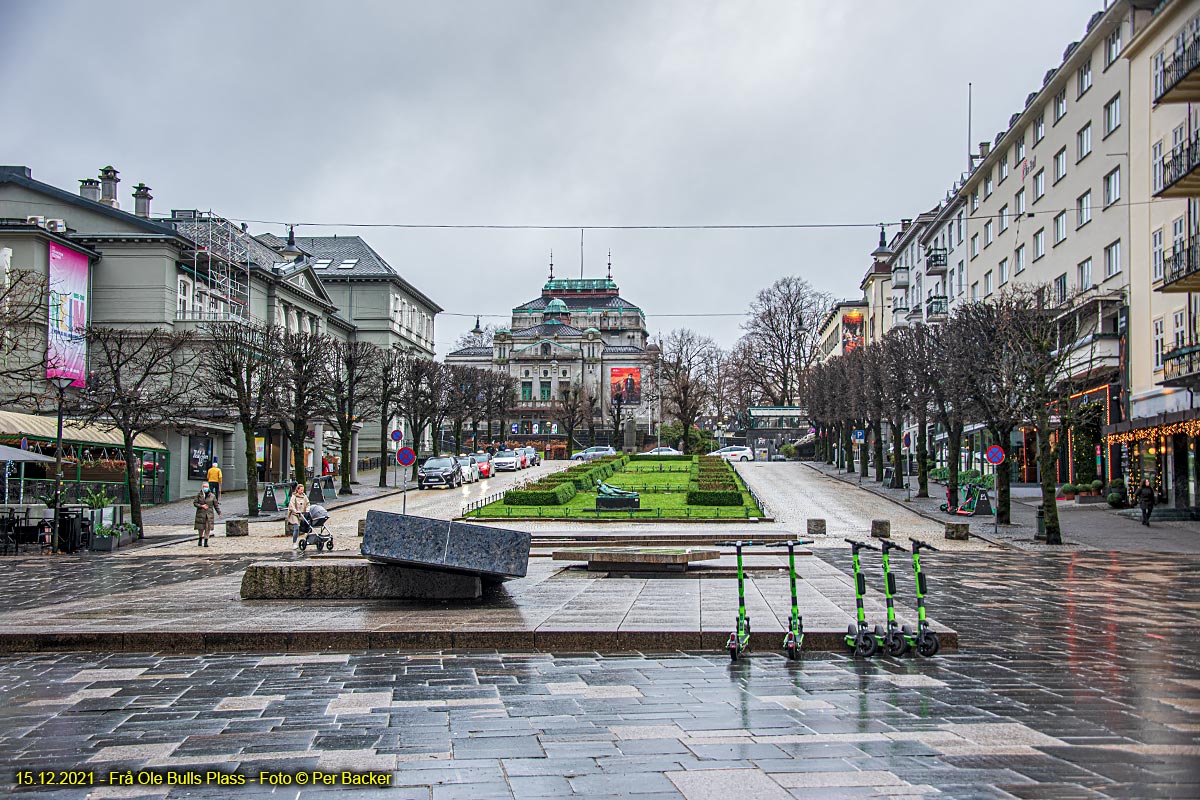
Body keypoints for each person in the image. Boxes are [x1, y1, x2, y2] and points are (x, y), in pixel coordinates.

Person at [193, 481, 221, 547]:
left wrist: (219, 512)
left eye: (206, 487)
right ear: (202, 487)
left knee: (207, 527)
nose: (205, 488)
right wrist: (201, 506)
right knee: (201, 528)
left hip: (209, 514)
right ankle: (200, 539)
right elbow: (195, 503)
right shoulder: (199, 495)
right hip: (201, 514)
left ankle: (206, 541)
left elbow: (216, 505)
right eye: (204, 487)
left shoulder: (212, 496)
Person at [287, 482, 310, 550]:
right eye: (301, 490)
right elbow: (291, 505)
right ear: (297, 490)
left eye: (303, 490)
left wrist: (307, 510)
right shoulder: (294, 497)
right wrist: (295, 511)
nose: (302, 491)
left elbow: (308, 504)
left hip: (302, 514)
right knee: (296, 528)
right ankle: (294, 543)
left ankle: (307, 539)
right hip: (295, 515)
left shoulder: (304, 497)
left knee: (307, 527)